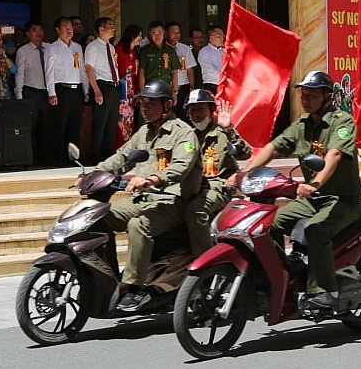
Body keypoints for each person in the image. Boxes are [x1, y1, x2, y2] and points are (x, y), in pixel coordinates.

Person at [229, 71, 361, 311]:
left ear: (327, 96)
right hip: (315, 198)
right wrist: (244, 172)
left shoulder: (342, 121)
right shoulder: (301, 125)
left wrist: (314, 184)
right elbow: (273, 147)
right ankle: (280, 276)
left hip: (343, 199)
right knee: (270, 224)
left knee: (316, 230)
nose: (306, 99)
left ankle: (324, 292)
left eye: (312, 95)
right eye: (304, 94)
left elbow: (334, 155)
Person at [93, 80, 201, 311]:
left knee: (138, 225)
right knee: (98, 216)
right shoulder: (143, 132)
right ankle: (110, 277)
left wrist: (151, 179)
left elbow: (181, 167)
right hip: (142, 199)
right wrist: (95, 173)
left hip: (171, 202)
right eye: (142, 103)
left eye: (151, 103)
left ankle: (135, 288)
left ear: (168, 105)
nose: (145, 107)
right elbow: (122, 157)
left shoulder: (184, 134)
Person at [183, 90, 250, 257]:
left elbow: (245, 153)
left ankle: (205, 259)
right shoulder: (187, 135)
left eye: (200, 109)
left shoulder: (222, 132)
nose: (196, 115)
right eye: (192, 110)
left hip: (217, 187)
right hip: (192, 186)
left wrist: (228, 129)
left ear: (211, 110)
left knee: (195, 211)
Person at [45, 17, 88, 164]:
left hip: (76, 90)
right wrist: (51, 92)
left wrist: (86, 89)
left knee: (74, 125)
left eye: (70, 27)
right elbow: (49, 72)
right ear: (58, 30)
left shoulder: (77, 47)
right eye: (65, 27)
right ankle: (58, 158)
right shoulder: (52, 47)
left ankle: (73, 158)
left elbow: (82, 70)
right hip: (61, 89)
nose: (69, 30)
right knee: (60, 125)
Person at [84, 17, 121, 162]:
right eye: (110, 26)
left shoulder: (110, 47)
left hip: (114, 86)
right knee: (100, 122)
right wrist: (97, 90)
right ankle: (95, 155)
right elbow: (89, 68)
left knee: (111, 122)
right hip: (102, 86)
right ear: (101, 29)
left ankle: (107, 153)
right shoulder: (93, 47)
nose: (113, 28)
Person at [15, 21, 52, 164]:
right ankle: (32, 158)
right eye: (34, 30)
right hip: (31, 92)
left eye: (41, 29)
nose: (38, 33)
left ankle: (46, 158)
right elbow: (20, 75)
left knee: (47, 126)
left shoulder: (49, 48)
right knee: (32, 127)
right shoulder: (23, 51)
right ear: (28, 34)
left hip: (48, 93)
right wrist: (20, 96)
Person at [114, 23, 143, 147]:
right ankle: (119, 146)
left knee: (130, 120)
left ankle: (128, 146)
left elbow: (136, 74)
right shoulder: (118, 49)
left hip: (132, 92)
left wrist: (136, 92)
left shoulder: (134, 52)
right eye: (139, 35)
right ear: (132, 35)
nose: (141, 38)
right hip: (122, 90)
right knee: (121, 119)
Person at [138, 21, 180, 103]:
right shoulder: (145, 51)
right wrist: (143, 92)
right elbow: (141, 72)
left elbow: (174, 72)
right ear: (150, 34)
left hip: (165, 88)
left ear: (164, 32)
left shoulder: (171, 50)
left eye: (159, 32)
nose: (157, 36)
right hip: (149, 87)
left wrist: (174, 92)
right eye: (154, 33)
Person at [165, 22, 197, 121]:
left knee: (182, 115)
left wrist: (191, 88)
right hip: (167, 87)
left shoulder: (185, 48)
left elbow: (190, 70)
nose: (177, 34)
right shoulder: (162, 49)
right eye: (173, 32)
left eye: (178, 32)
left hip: (183, 87)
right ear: (166, 33)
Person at [0, 24, 17, 100]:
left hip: (7, 92)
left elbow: (13, 70)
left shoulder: (4, 54)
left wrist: (4, 56)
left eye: (0, 40)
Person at [197, 25, 225, 95]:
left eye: (223, 36)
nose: (222, 39)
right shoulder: (204, 52)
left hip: (225, 85)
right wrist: (226, 77)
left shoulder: (225, 51)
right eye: (219, 36)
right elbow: (209, 71)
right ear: (211, 38)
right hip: (212, 86)